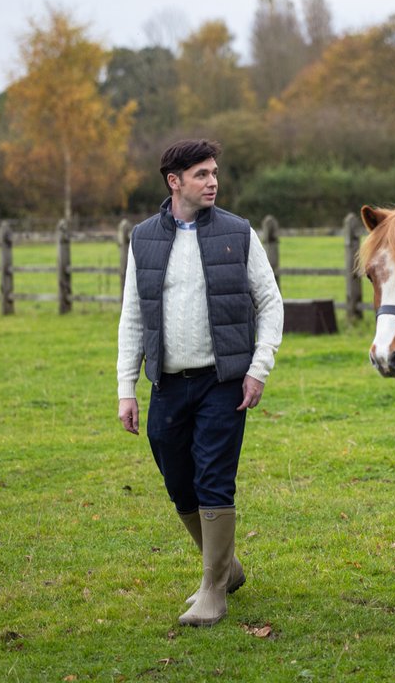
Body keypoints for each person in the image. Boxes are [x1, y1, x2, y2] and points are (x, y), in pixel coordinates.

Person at [116, 138, 284, 627]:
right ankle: (226, 566)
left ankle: (213, 589)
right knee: (177, 479)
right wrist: (127, 387)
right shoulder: (144, 238)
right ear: (175, 182)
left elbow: (270, 304)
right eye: (202, 174)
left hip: (223, 382)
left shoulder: (238, 233)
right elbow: (132, 316)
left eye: (214, 173)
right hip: (166, 383)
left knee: (213, 478)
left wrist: (257, 369)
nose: (213, 182)